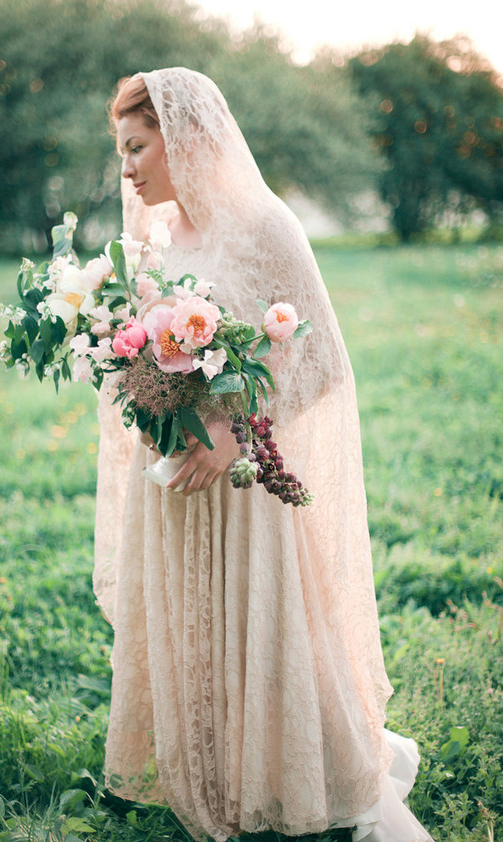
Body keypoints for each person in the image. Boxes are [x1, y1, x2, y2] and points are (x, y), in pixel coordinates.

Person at [93, 67, 434, 842]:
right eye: (121, 151)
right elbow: (141, 355)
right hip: (173, 484)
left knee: (268, 640)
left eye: (137, 147)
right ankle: (209, 772)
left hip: (244, 485)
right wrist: (147, 401)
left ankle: (303, 773)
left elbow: (319, 366)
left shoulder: (265, 230)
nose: (127, 168)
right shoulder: (150, 242)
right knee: (189, 634)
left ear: (181, 138)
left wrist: (233, 431)